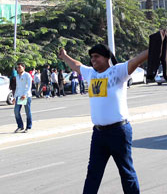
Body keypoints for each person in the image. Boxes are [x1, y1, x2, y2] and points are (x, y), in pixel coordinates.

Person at [59, 44, 148, 194]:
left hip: (118, 131)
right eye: (91, 57)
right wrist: (64, 56)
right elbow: (76, 65)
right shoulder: (90, 73)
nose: (93, 60)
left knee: (126, 172)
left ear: (106, 58)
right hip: (99, 133)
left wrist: (156, 45)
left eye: (96, 57)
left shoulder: (117, 71)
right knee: (93, 173)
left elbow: (136, 60)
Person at [13, 62, 33, 133]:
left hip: (26, 96)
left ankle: (28, 127)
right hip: (19, 96)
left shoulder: (27, 75)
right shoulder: (17, 76)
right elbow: (17, 87)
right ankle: (20, 126)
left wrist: (25, 94)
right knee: (16, 111)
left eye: (19, 67)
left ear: (23, 68)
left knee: (27, 112)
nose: (18, 69)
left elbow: (29, 86)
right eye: (17, 68)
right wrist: (14, 97)